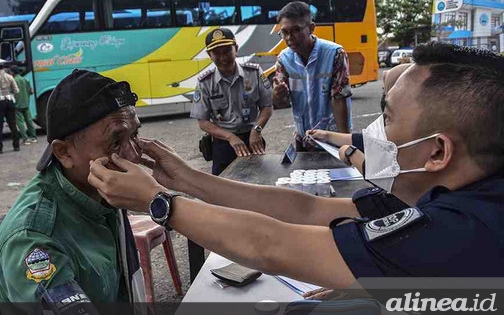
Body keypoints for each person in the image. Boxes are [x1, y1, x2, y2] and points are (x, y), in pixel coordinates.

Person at [88, 43, 504, 289]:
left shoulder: (463, 233)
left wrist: (161, 202)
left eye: (388, 118)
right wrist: (186, 178)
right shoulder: (455, 196)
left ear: (436, 153)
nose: (373, 135)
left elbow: (271, 245)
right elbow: (306, 210)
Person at [0, 70, 145, 314]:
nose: (134, 156)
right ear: (64, 153)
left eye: (135, 135)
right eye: (115, 142)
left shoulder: (102, 191)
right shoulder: (33, 238)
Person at [190, 28, 273, 175]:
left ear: (236, 49)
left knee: (258, 187)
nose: (223, 57)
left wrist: (256, 130)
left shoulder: (254, 73)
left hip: (253, 139)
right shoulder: (205, 82)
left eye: (227, 50)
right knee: (222, 190)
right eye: (216, 52)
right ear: (210, 55)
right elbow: (203, 121)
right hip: (223, 144)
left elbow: (267, 106)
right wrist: (230, 137)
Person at [272, 1, 353, 151]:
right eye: (284, 32)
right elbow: (280, 103)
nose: (290, 37)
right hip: (303, 138)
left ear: (311, 28)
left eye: (296, 30)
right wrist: (278, 95)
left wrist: (345, 143)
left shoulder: (335, 53)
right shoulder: (283, 59)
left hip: (331, 137)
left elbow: (339, 98)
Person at [307, 63, 414, 173]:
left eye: (385, 90)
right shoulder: (394, 118)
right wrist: (327, 136)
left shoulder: (408, 126)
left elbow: (385, 173)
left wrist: (351, 154)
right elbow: (368, 139)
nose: (384, 96)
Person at [10, 65, 37, 146]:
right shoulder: (25, 79)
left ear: (12, 72)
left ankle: (25, 139)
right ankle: (33, 137)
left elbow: (12, 93)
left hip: (17, 105)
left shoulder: (13, 81)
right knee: (29, 120)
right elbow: (31, 91)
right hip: (26, 103)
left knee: (20, 122)